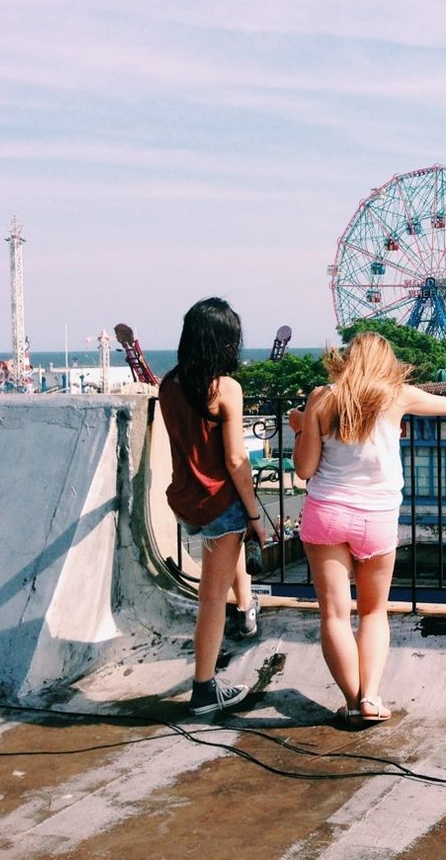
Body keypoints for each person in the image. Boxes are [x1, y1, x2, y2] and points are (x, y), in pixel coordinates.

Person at [290, 332, 446, 722]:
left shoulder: (321, 397)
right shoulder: (398, 395)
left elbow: (304, 469)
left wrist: (301, 427)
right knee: (375, 612)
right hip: (376, 517)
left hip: (326, 512)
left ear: (348, 359)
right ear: (386, 362)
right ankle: (372, 698)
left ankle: (351, 699)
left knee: (334, 615)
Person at [159, 298, 268, 715]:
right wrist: (256, 516)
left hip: (186, 503)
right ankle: (204, 689)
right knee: (210, 598)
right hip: (220, 504)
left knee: (222, 563)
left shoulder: (168, 385)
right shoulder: (225, 389)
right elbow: (237, 461)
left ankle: (246, 609)